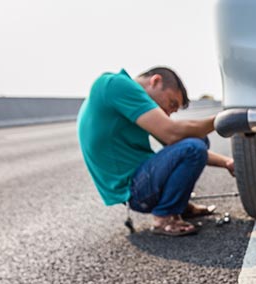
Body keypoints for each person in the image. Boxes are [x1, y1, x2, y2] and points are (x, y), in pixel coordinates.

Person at [77, 67, 234, 236]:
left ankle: (178, 205)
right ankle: (165, 216)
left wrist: (227, 163)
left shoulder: (122, 96)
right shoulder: (116, 84)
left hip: (139, 185)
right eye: (171, 104)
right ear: (155, 81)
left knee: (195, 142)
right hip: (135, 189)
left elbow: (178, 144)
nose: (166, 113)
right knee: (194, 144)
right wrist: (223, 119)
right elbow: (174, 134)